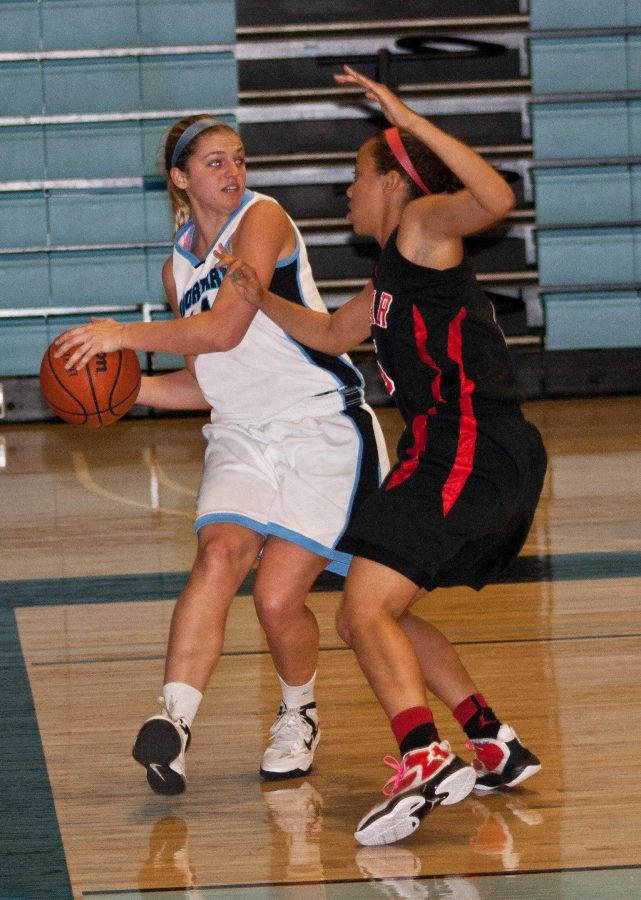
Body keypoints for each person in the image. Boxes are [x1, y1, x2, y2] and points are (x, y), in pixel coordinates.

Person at [214, 65, 547, 847]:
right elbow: (334, 335)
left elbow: (496, 198)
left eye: (356, 180)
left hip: (468, 447)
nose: (348, 197)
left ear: (395, 180)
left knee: (361, 609)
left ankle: (422, 757)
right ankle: (489, 740)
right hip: (452, 452)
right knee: (382, 611)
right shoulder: (394, 268)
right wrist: (260, 299)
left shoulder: (423, 228)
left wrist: (404, 114)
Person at [54, 114, 388, 794]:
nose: (233, 172)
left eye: (238, 159)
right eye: (214, 163)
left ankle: (299, 713)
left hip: (315, 425)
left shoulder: (262, 220)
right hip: (240, 430)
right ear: (179, 178)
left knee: (273, 599)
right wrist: (124, 390)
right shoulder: (178, 267)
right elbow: (207, 381)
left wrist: (122, 334)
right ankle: (173, 724)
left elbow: (227, 327)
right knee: (216, 555)